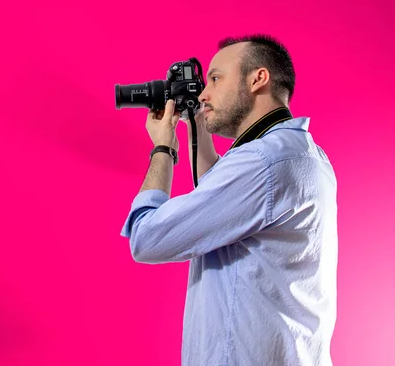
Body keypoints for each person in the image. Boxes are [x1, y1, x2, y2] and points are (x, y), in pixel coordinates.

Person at [120, 34, 338, 366]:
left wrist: (163, 147)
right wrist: (198, 128)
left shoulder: (262, 163)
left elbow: (147, 238)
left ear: (257, 79)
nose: (204, 93)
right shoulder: (303, 154)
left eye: (216, 78)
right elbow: (225, 206)